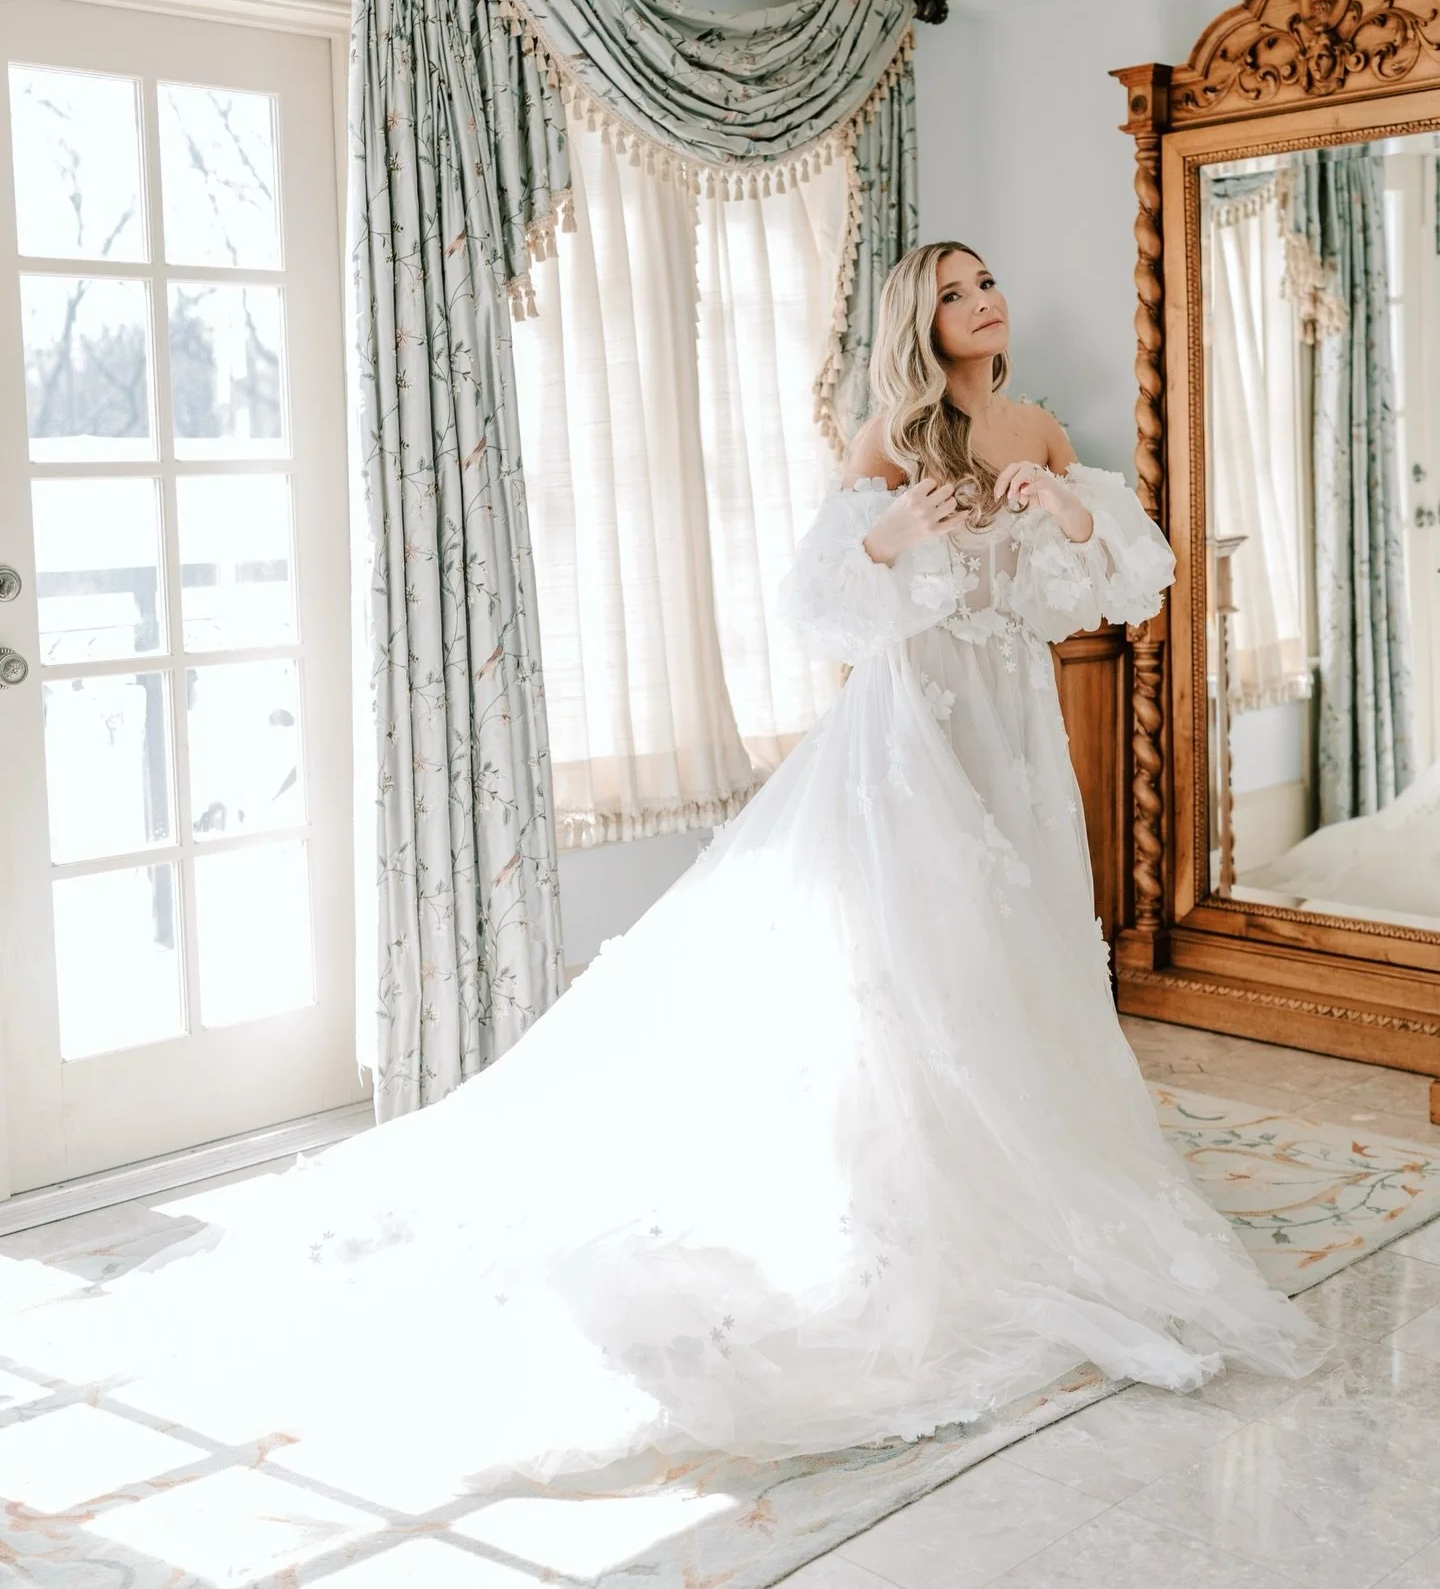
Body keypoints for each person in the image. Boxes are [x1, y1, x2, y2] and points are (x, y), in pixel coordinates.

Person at [17, 242, 1325, 1488]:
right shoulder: (888, 442)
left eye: (987, 284)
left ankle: (1036, 1156)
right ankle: (915, 1184)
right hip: (912, 736)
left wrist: (1063, 512)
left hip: (1016, 727)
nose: (984, 301)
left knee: (1025, 942)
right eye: (955, 290)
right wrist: (892, 539)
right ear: (916, 324)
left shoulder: (1034, 428)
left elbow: (1114, 582)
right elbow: (822, 608)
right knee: (921, 961)